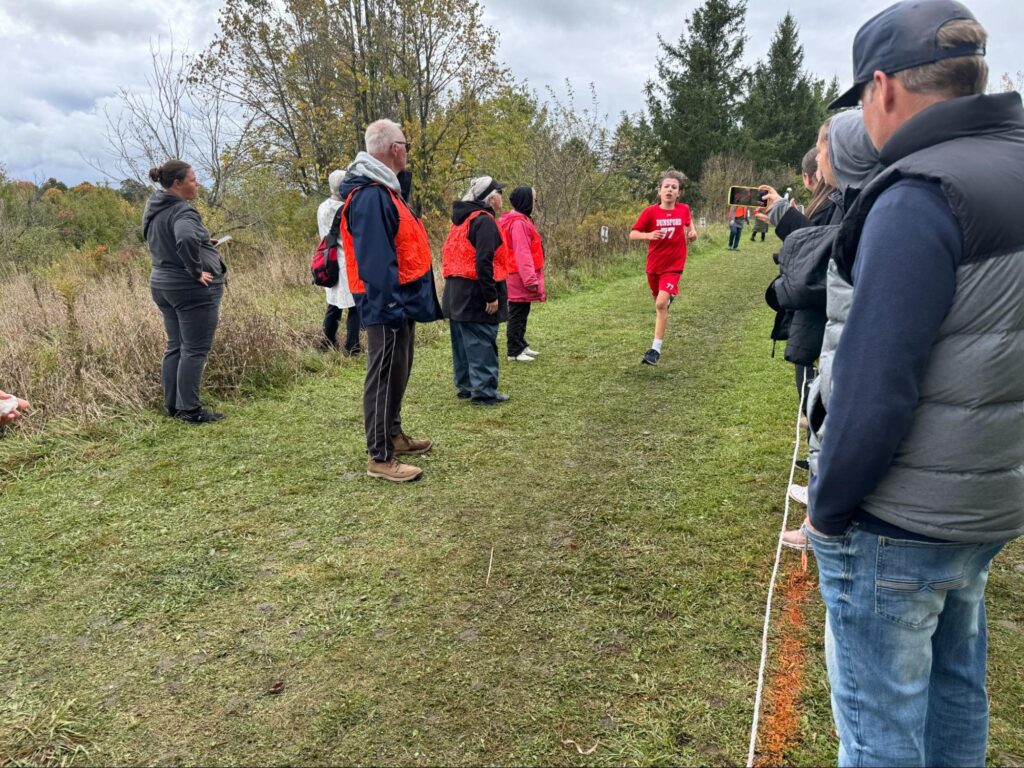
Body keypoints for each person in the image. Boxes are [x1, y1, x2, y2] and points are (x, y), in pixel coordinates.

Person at [804, 2, 1024, 764]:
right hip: (987, 501)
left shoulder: (918, 194)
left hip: (898, 520)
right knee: (957, 692)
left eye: (862, 96)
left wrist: (829, 511)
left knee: (880, 730)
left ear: (885, 87)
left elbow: (876, 387)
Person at [339, 119, 441, 482]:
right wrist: (391, 305)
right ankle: (379, 456)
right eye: (405, 143)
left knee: (399, 368)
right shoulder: (369, 195)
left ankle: (394, 435)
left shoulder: (388, 190)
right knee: (382, 374)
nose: (408, 150)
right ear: (393, 148)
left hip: (402, 298)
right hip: (386, 302)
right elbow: (375, 260)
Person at [144, 160, 227, 424]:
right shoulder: (183, 211)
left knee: (176, 346)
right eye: (193, 179)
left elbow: (174, 238)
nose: (197, 183)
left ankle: (173, 405)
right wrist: (195, 270)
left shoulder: (155, 205)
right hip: (189, 289)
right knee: (194, 349)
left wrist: (204, 242)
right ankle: (190, 410)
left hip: (162, 283)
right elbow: (185, 238)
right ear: (177, 184)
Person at [441, 176, 511, 405]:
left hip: (455, 291)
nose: (502, 198)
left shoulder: (461, 220)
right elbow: (484, 261)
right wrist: (491, 295)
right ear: (491, 199)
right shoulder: (484, 221)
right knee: (481, 340)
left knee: (462, 342)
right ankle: (484, 392)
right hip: (475, 290)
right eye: (499, 193)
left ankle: (466, 385)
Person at [629, 170, 698, 366]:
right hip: (654, 266)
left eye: (674, 187)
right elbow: (633, 234)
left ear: (679, 193)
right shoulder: (650, 212)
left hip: (674, 265)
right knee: (660, 303)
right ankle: (669, 296)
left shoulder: (684, 209)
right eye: (666, 186)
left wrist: (692, 232)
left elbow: (688, 223)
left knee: (660, 304)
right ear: (659, 191)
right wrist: (648, 235)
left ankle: (654, 350)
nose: (669, 190)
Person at [499, 185, 546, 362]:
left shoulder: (521, 220)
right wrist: (530, 279)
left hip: (518, 274)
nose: (535, 203)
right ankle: (514, 350)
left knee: (523, 309)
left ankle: (521, 343)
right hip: (517, 275)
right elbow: (522, 252)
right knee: (517, 312)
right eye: (534, 199)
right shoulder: (518, 223)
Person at [316, 169, 361, 355]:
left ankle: (327, 341)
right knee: (355, 305)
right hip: (345, 261)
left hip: (329, 260)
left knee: (333, 304)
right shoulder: (347, 209)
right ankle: (352, 347)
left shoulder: (322, 207)